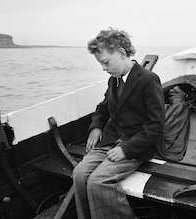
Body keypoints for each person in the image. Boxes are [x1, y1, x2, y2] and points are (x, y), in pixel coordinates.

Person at [72, 28, 165, 219]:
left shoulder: (148, 80)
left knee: (98, 181)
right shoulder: (113, 81)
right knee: (79, 173)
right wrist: (96, 127)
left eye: (105, 62)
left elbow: (155, 124)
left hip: (135, 146)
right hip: (111, 140)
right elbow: (103, 108)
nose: (103, 68)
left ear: (122, 53)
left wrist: (126, 149)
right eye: (101, 64)